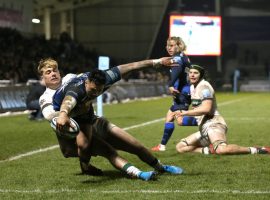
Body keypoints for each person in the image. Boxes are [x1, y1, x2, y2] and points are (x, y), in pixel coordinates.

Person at [52, 58, 184, 181]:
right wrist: (63, 114)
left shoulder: (107, 77)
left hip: (86, 113)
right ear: (86, 82)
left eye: (99, 90)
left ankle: (161, 168)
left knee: (135, 144)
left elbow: (133, 66)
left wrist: (158, 62)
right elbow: (68, 101)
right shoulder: (76, 90)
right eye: (93, 90)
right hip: (65, 114)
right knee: (80, 147)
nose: (96, 93)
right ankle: (85, 166)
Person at [174, 64, 270, 155]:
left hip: (213, 124)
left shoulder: (204, 87)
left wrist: (185, 113)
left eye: (195, 73)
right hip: (203, 128)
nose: (192, 75)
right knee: (180, 147)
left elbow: (206, 109)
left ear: (201, 75)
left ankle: (256, 150)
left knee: (221, 150)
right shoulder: (192, 87)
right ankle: (208, 150)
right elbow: (197, 110)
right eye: (190, 72)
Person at [38, 58, 102, 176]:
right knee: (68, 152)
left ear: (59, 72)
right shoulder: (44, 97)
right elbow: (48, 115)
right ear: (43, 78)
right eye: (48, 72)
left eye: (55, 70)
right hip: (67, 124)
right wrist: (72, 110)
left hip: (88, 118)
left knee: (93, 145)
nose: (53, 74)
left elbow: (87, 81)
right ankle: (86, 163)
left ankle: (86, 166)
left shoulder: (70, 78)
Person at [151, 36, 197, 152]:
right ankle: (162, 146)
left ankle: (207, 122)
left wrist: (171, 85)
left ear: (179, 45)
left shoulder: (177, 58)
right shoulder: (184, 56)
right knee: (170, 116)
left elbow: (177, 70)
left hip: (181, 92)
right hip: (185, 91)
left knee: (180, 120)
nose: (169, 48)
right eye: (168, 46)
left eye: (172, 45)